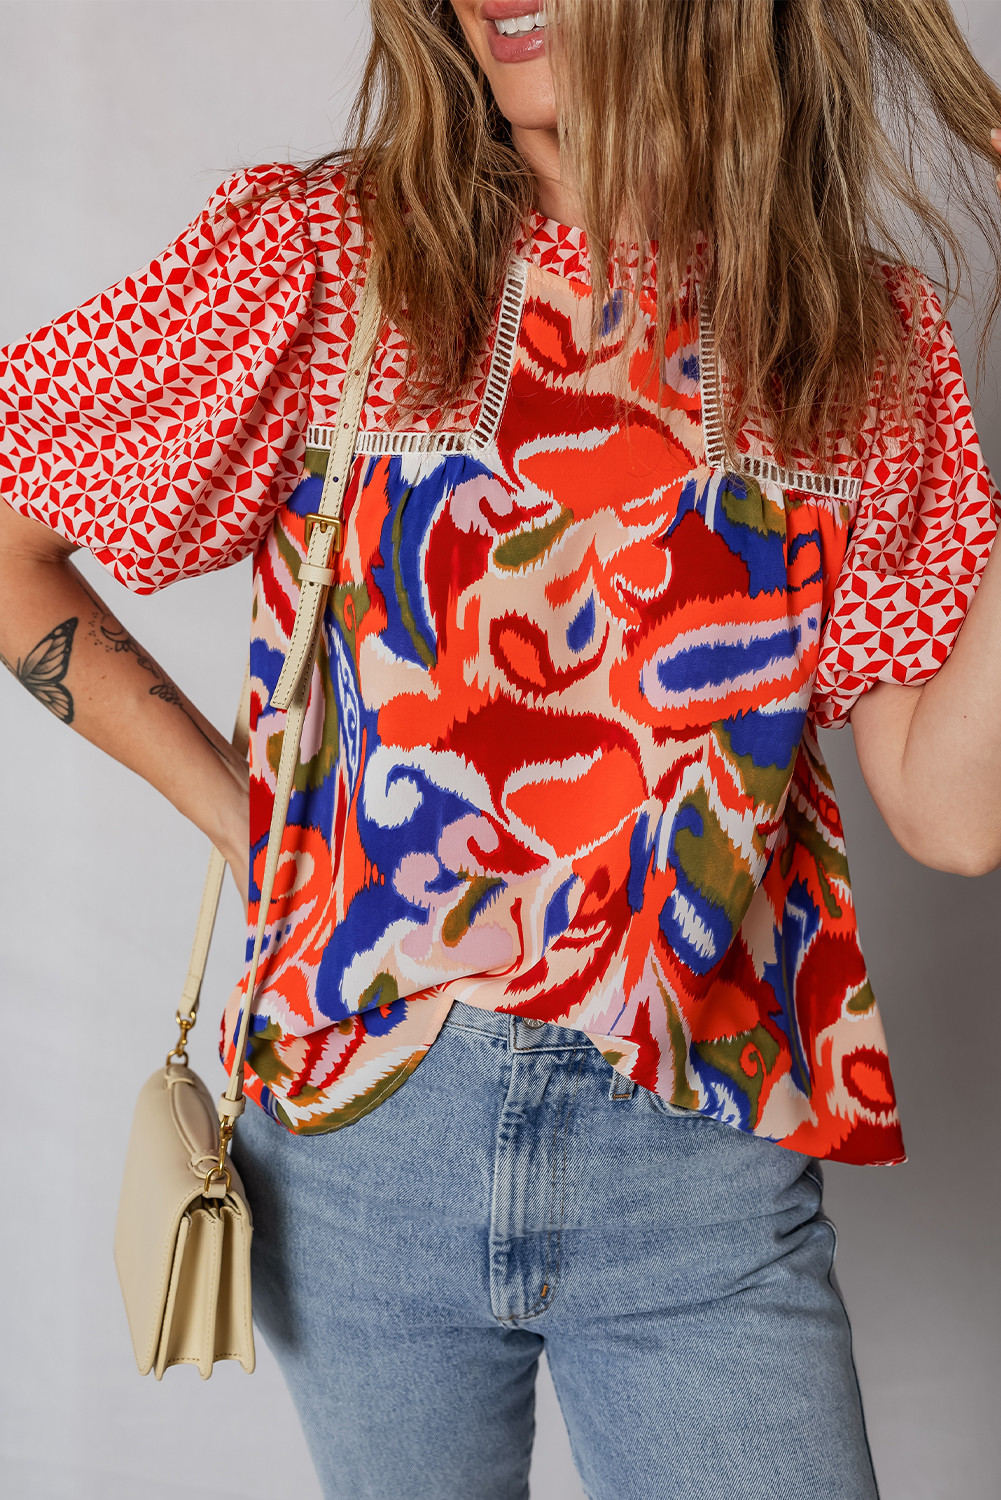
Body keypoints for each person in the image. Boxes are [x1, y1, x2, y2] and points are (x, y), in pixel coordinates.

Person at [2, 1, 1000, 1495]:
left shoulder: (855, 340)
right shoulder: (326, 259)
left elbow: (954, 813)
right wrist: (245, 823)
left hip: (699, 1166)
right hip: (365, 1131)